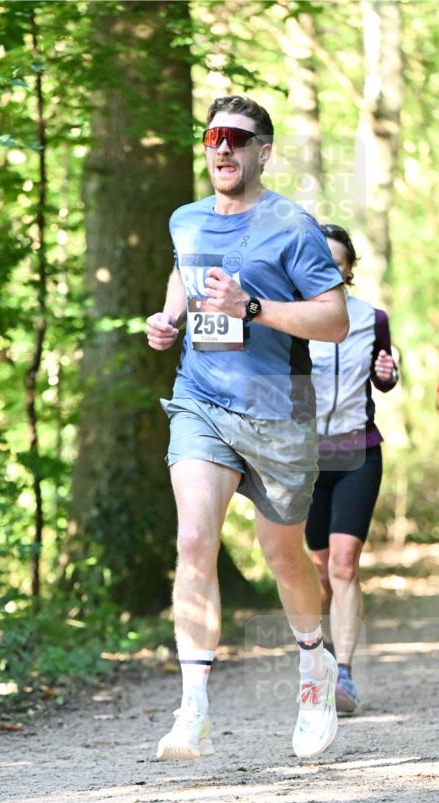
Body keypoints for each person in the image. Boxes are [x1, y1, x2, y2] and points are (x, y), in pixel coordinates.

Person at [145, 94, 349, 762]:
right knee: (193, 537)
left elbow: (333, 321)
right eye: (212, 137)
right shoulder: (184, 219)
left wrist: (253, 307)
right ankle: (192, 711)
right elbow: (185, 274)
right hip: (199, 400)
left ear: (263, 150)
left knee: (282, 555)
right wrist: (168, 317)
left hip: (277, 408)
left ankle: (314, 668)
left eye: (238, 138)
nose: (223, 149)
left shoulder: (294, 227)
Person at [306, 224, 398, 713]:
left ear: (348, 270)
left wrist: (389, 375)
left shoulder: (371, 318)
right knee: (320, 569)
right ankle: (318, 657)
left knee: (344, 563)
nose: (326, 268)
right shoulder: (292, 317)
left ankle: (344, 674)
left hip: (358, 450)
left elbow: (385, 374)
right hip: (306, 458)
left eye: (335, 262)